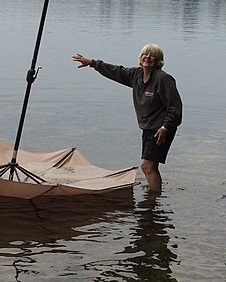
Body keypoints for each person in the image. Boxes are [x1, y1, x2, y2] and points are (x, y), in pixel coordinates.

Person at [72, 43, 182, 192]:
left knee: (147, 166)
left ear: (158, 60)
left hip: (161, 129)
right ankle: (154, 199)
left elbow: (175, 108)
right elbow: (116, 71)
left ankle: (153, 199)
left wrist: (165, 127)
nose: (148, 57)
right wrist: (92, 63)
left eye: (152, 55)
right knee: (151, 166)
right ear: (140, 57)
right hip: (148, 128)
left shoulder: (163, 79)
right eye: (145, 54)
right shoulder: (136, 75)